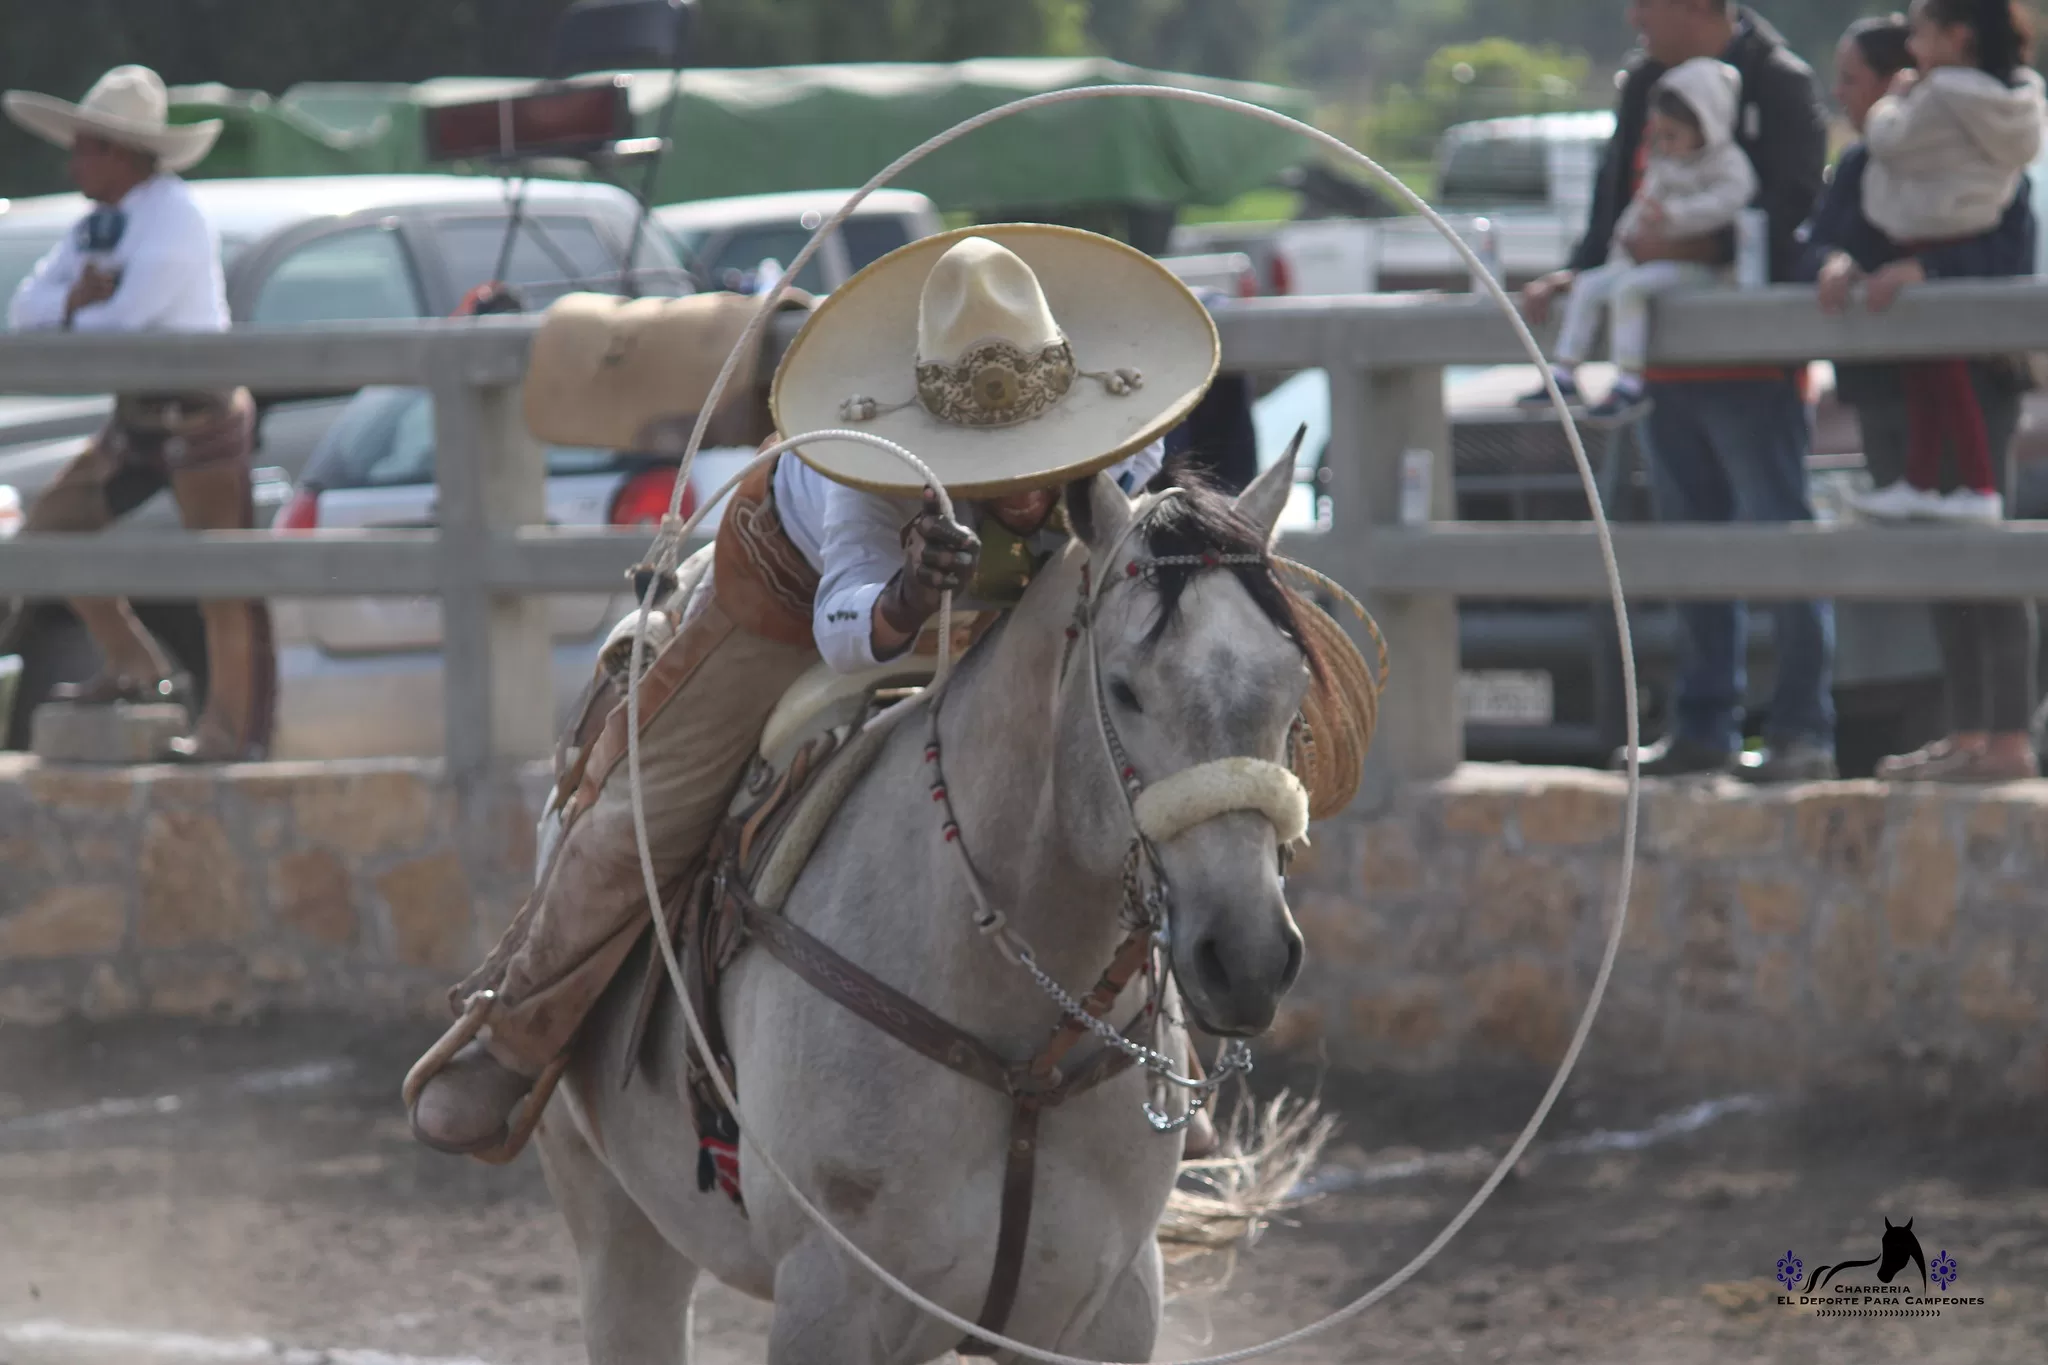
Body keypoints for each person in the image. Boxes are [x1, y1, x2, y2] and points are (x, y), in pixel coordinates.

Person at [406, 228, 1220, 1159]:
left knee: (1127, 767)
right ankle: (516, 1035)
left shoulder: (1122, 446)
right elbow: (842, 623)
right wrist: (905, 596)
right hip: (790, 604)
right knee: (649, 807)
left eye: (1041, 453)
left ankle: (1161, 1041)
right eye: (999, 459)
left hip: (1008, 615)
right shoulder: (859, 463)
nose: (1028, 486)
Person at [1523, 0, 1837, 783]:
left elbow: (1795, 206)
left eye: (1648, 4)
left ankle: (1801, 729)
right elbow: (1617, 196)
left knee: (1783, 543)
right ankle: (1703, 726)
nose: (1633, 18)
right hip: (1662, 361)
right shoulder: (1644, 84)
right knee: (1691, 548)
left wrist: (1698, 244)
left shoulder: (1777, 82)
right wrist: (1583, 269)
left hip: (1752, 362)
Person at [3, 66, 274, 761]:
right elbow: (27, 309)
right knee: (46, 535)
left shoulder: (173, 219)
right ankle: (134, 665)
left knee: (221, 578)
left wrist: (77, 307)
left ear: (121, 153)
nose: (73, 162)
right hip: (139, 415)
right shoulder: (97, 225)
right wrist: (75, 302)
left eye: (86, 147)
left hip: (198, 411)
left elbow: (128, 320)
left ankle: (229, 730)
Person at [1800, 13, 2041, 782]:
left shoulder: (1977, 147)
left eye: (1852, 80)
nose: (1842, 95)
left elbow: (2005, 248)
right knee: (1936, 559)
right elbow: (1828, 232)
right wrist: (1837, 261)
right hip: (1889, 384)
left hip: (1974, 378)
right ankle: (1966, 733)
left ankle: (2009, 736)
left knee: (1984, 551)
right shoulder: (1869, 159)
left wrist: (1927, 273)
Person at [1842, 0, 2045, 522]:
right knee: (1928, 372)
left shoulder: (1942, 95)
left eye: (1921, 34)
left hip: (1933, 240)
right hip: (1960, 240)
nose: (1912, 48)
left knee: (1944, 376)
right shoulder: (2007, 101)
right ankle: (1922, 481)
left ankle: (1977, 486)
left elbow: (1889, 140)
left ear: (1957, 37)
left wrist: (1893, 100)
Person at [1520, 58, 1757, 422]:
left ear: (1706, 124)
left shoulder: (1729, 164)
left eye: (1673, 135)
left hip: (1703, 272)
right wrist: (1625, 240)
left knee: (1630, 289)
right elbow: (1640, 207)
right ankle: (1565, 372)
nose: (1665, 144)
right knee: (1589, 284)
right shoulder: (1666, 165)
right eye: (1660, 135)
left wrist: (1674, 217)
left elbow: (1728, 202)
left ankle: (1630, 381)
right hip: (1649, 263)